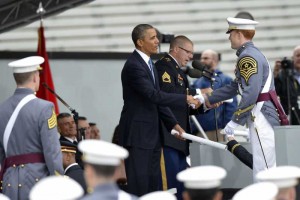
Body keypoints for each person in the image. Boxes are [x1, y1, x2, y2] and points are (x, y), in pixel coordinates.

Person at [118, 24, 201, 196]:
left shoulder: (149, 63)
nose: (157, 41)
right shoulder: (134, 65)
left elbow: (157, 101)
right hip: (138, 136)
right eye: (152, 38)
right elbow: (153, 95)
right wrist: (184, 98)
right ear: (140, 42)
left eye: (157, 37)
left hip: (152, 136)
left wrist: (173, 124)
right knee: (140, 188)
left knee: (153, 188)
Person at [204, 17, 287, 179]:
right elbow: (236, 86)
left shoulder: (247, 57)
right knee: (263, 165)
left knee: (264, 170)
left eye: (231, 33)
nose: (229, 37)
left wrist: (235, 121)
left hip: (260, 115)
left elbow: (251, 92)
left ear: (239, 34)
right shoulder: (250, 54)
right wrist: (208, 98)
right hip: (261, 114)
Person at [0, 56, 64, 199]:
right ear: (35, 77)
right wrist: (60, 182)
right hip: (37, 180)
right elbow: (52, 151)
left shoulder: (1, 109)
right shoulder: (45, 107)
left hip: (9, 180)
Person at [155, 35, 206, 200]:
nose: (191, 57)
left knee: (180, 187)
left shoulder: (178, 71)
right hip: (168, 135)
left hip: (180, 138)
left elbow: (182, 106)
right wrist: (197, 93)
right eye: (188, 52)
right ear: (176, 49)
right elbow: (166, 94)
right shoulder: (164, 66)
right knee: (170, 188)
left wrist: (203, 105)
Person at [192, 49, 237, 141]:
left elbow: (231, 106)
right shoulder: (196, 82)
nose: (202, 61)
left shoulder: (225, 80)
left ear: (215, 60)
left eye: (206, 58)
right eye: (201, 58)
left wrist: (226, 127)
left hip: (217, 131)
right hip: (198, 131)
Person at [274, 45, 300, 125]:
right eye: (298, 56)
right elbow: (275, 92)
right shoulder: (284, 75)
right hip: (292, 117)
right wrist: (276, 75)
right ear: (293, 58)